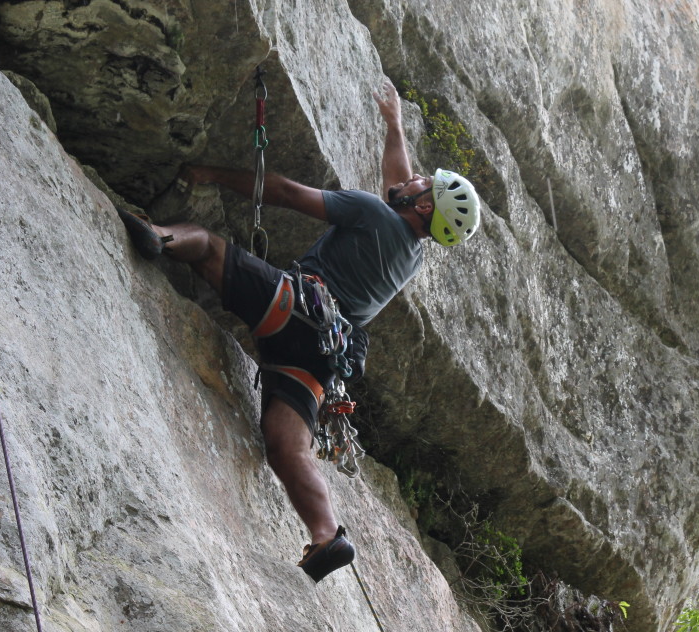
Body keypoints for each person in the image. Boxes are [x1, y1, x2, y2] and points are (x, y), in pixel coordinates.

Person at [117, 78, 481, 583]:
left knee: (207, 248)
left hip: (293, 307)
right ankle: (327, 535)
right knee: (288, 448)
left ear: (424, 207)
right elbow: (398, 183)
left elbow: (286, 192)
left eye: (426, 184)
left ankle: (158, 236)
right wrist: (393, 124)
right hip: (320, 358)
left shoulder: (374, 212)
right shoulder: (411, 255)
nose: (417, 176)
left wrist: (212, 173)